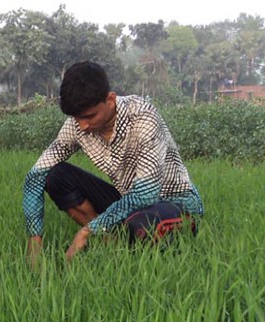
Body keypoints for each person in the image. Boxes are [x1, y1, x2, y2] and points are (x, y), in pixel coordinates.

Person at [22, 61, 204, 261]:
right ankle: (112, 242)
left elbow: (146, 194)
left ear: (110, 100)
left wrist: (87, 230)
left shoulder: (143, 117)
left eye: (90, 116)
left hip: (174, 203)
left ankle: (125, 246)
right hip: (129, 200)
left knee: (141, 223)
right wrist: (34, 241)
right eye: (77, 118)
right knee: (55, 176)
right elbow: (35, 177)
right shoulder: (76, 126)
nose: (82, 126)